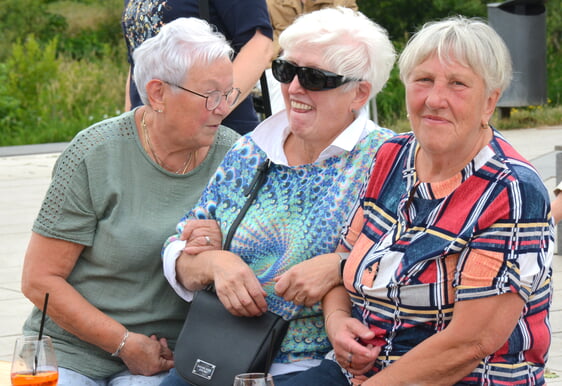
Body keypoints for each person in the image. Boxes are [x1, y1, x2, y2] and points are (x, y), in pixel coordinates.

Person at [283, 16, 554, 386]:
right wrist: (338, 323)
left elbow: (470, 344)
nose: (435, 99)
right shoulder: (391, 155)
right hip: (354, 373)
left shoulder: (512, 191)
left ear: (490, 101)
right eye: (423, 80)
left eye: (458, 84)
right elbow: (344, 263)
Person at [159, 7, 396, 385]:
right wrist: (214, 264)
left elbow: (409, 261)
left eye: (316, 77)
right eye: (286, 71)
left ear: (360, 93)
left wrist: (338, 265)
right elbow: (178, 248)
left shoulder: (388, 159)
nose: (295, 88)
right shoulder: (251, 149)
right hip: (220, 353)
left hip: (317, 365)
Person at [20, 17, 241, 385]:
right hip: (72, 351)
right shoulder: (94, 153)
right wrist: (124, 344)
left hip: (170, 357)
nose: (223, 108)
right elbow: (39, 280)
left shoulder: (236, 156)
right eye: (212, 95)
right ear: (157, 94)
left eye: (230, 94)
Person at [122, 0, 274, 135]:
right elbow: (137, 62)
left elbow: (259, 44)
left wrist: (216, 108)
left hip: (216, 136)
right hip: (151, 136)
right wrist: (129, 124)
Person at [264, 0, 358, 114]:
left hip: (328, 65)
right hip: (278, 63)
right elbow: (260, 37)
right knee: (283, 87)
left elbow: (355, 33)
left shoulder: (342, 2)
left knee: (353, 84)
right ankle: (283, 129)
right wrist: (285, 50)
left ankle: (354, 129)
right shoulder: (268, 3)